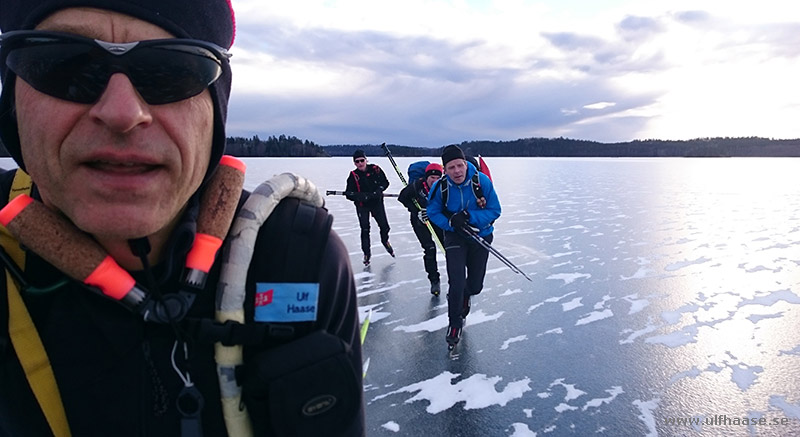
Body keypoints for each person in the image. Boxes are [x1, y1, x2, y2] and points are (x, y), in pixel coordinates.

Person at [0, 1, 365, 436]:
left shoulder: (298, 255)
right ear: (12, 101)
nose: (122, 113)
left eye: (170, 72)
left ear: (216, 112)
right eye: (63, 64)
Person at [427, 145, 501, 348]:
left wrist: (469, 216)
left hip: (481, 236)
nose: (457, 171)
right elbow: (433, 212)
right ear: (445, 169)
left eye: (460, 165)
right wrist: (451, 223)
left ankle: (466, 295)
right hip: (455, 238)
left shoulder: (481, 182)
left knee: (475, 286)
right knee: (456, 281)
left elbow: (495, 210)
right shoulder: (440, 186)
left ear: (465, 165)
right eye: (451, 167)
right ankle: (454, 323)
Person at [397, 163, 445, 295]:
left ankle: (457, 279)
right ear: (426, 177)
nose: (434, 180)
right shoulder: (417, 186)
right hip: (419, 221)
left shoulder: (443, 187)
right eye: (432, 177)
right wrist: (416, 210)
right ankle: (434, 280)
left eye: (437, 177)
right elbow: (402, 198)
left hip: (436, 219)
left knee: (447, 246)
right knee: (429, 249)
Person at [345, 150, 393, 266]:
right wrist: (358, 196)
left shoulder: (375, 169)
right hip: (362, 206)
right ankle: (367, 254)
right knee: (365, 229)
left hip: (376, 203)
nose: (360, 163)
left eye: (362, 160)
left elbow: (385, 183)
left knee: (385, 226)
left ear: (366, 160)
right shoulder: (353, 176)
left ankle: (384, 241)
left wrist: (379, 190)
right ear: (354, 163)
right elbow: (348, 194)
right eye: (357, 161)